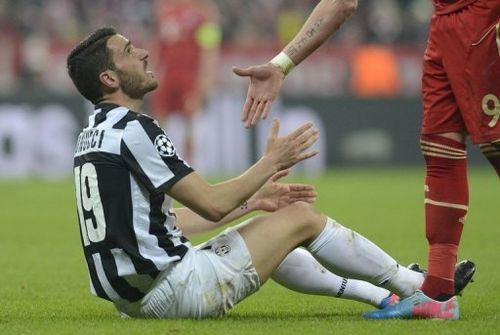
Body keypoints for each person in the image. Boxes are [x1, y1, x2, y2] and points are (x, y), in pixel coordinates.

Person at [67, 27, 473, 320]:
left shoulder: (93, 135)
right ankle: (421, 291)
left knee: (274, 235)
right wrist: (271, 163)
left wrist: (253, 201)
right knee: (300, 219)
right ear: (109, 78)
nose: (142, 52)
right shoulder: (135, 130)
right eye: (127, 51)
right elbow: (209, 204)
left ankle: (388, 295)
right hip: (175, 290)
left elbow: (170, 222)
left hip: (132, 304)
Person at [233, 0, 491, 319]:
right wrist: (280, 65)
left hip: (485, 15)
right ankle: (437, 294)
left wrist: (282, 64)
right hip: (444, 23)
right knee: (441, 149)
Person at [150, 0, 221, 161]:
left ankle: (190, 164)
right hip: (167, 77)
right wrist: (153, 71)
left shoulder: (203, 13)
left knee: (190, 121)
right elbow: (158, 44)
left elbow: (210, 47)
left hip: (190, 77)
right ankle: (160, 163)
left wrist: (206, 78)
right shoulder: (164, 10)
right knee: (159, 120)